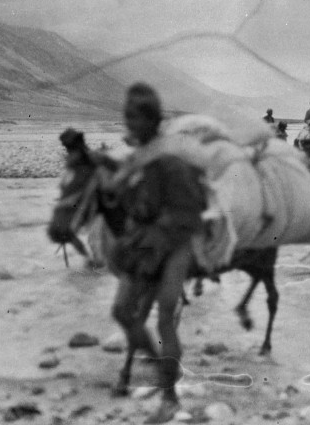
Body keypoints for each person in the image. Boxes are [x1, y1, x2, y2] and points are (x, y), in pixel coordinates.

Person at [109, 82, 208, 422]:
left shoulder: (170, 160)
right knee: (123, 311)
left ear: (152, 120)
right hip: (144, 245)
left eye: (136, 117)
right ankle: (159, 366)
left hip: (175, 244)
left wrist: (159, 225)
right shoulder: (136, 160)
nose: (130, 123)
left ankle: (170, 398)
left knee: (166, 315)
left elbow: (191, 211)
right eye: (127, 117)